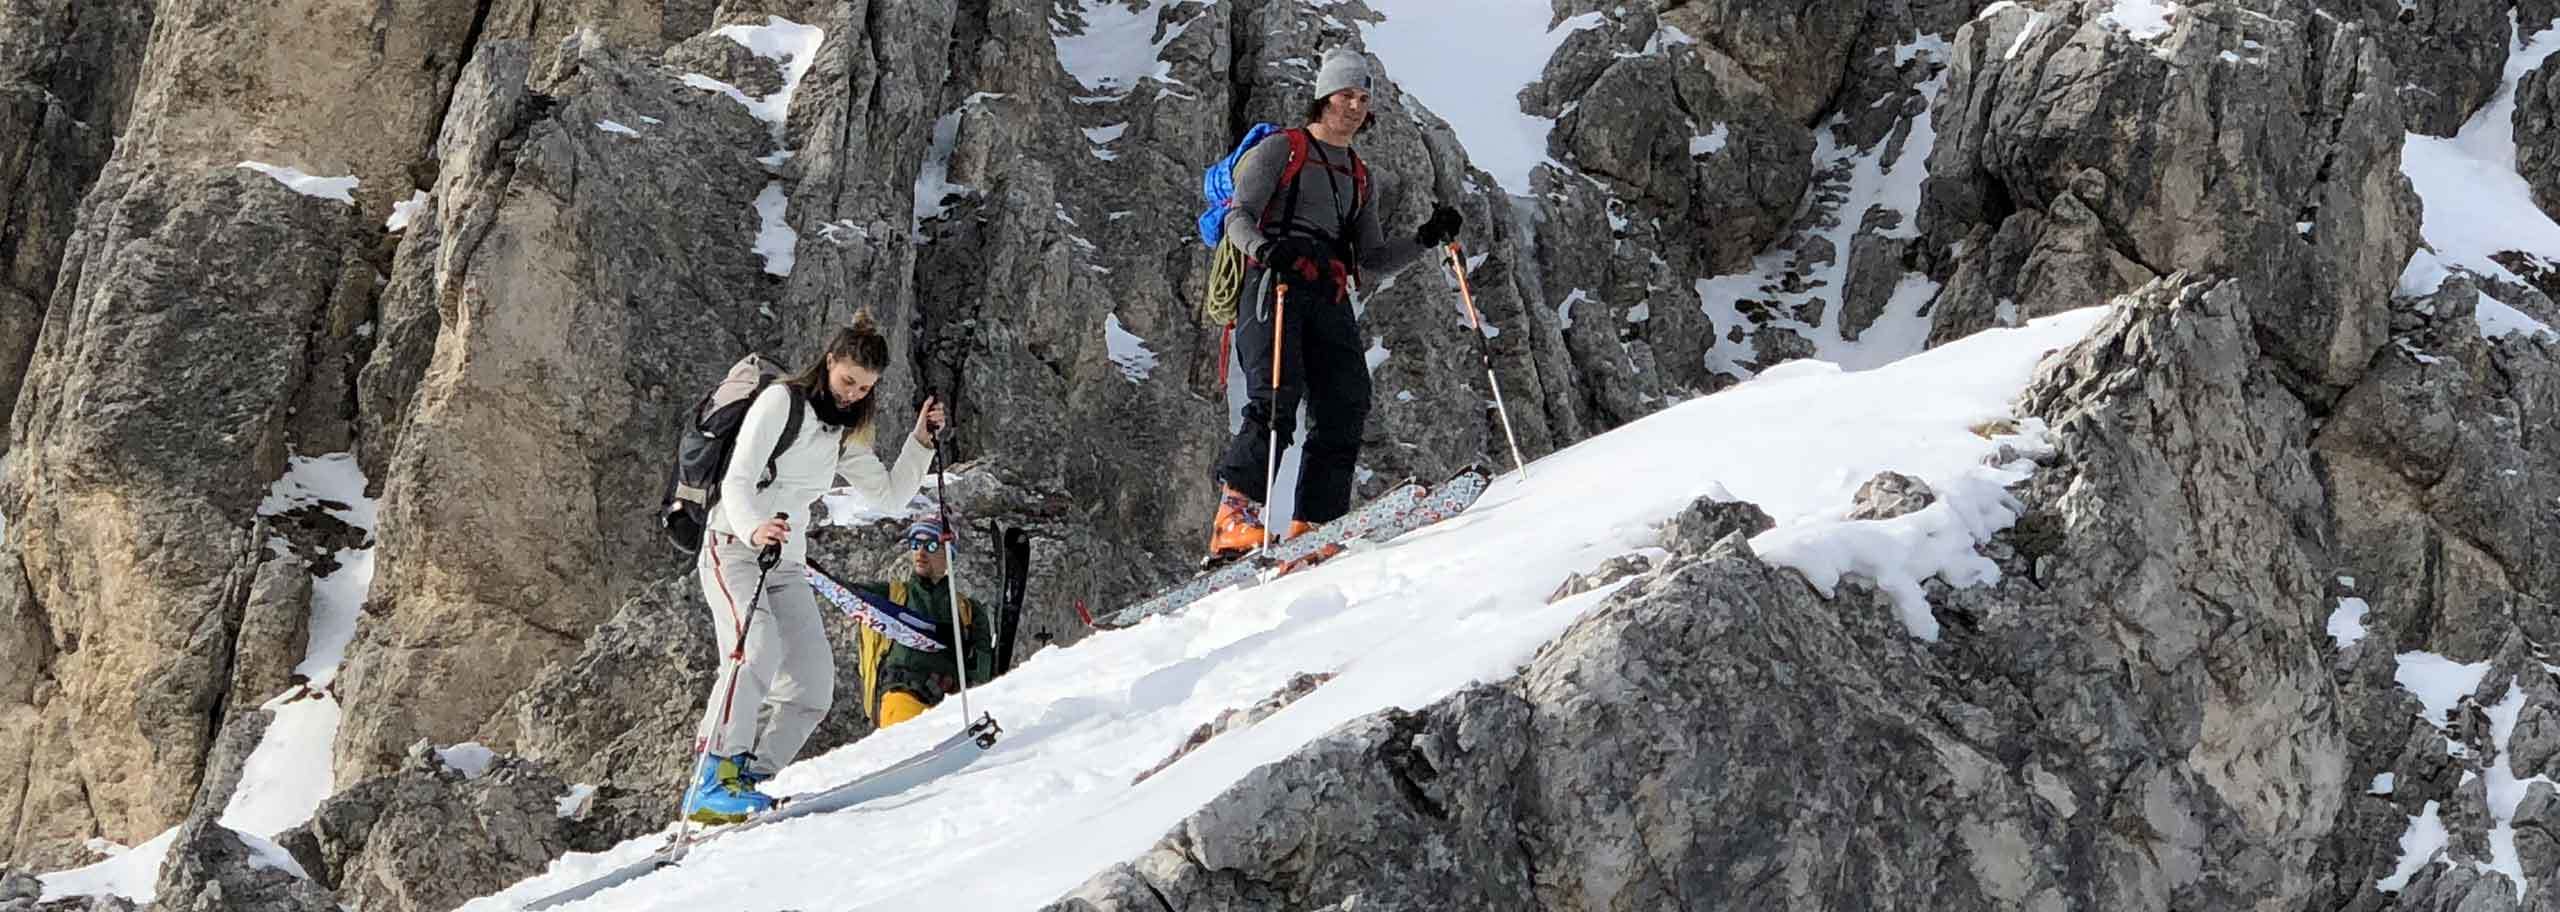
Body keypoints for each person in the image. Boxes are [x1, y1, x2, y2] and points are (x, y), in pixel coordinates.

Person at [1209, 46, 1465, 561]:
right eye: (1346, 94)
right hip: (1273, 283)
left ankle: (1316, 523)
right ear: (1324, 97)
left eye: (1363, 98)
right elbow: (1239, 216)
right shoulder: (1281, 150)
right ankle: (1234, 517)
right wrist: (1266, 249)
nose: (1354, 106)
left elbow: (1368, 259)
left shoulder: (1358, 176)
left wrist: (1425, 238)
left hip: (1326, 292)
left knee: (1346, 402)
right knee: (1276, 399)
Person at [688, 313, 945, 824]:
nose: (853, 394)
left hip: (787, 563)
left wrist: (919, 441)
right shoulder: (781, 402)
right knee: (752, 648)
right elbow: (738, 481)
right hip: (733, 547)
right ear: (830, 362)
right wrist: (755, 527)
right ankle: (712, 777)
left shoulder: (843, 433)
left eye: (865, 388)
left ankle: (750, 777)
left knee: (811, 688)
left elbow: (890, 494)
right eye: (848, 380)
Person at [843, 513, 997, 731]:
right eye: (915, 544)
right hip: (901, 696)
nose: (920, 553)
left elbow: (983, 672)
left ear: (949, 555)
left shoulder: (968, 611)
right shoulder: (891, 596)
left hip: (950, 705)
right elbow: (849, 593)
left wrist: (967, 652)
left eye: (931, 546)